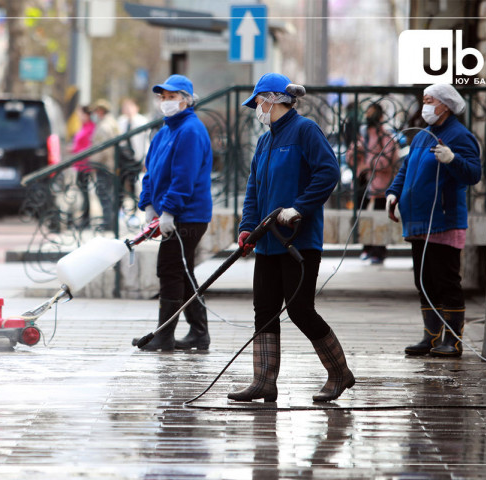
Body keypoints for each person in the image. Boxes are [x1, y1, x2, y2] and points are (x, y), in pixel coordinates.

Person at [228, 73, 355, 403]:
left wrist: (298, 207)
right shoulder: (265, 140)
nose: (256, 107)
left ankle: (339, 372)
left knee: (299, 309)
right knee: (265, 309)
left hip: (297, 240)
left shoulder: (305, 131)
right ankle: (264, 380)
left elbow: (327, 173)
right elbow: (254, 188)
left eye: (258, 101)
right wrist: (247, 226)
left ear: (272, 98)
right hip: (267, 240)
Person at [386, 84, 481, 358]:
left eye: (430, 100)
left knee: (445, 281)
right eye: (424, 100)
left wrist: (452, 159)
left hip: (443, 221)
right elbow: (406, 169)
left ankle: (452, 340)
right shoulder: (422, 136)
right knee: (424, 281)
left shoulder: (460, 136)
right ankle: (431, 336)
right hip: (418, 223)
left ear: (446, 106)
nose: (425, 105)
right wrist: (394, 193)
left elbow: (473, 173)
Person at [132, 74, 213, 351]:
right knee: (183, 272)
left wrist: (169, 212)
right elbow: (150, 173)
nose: (166, 102)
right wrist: (149, 206)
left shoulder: (190, 130)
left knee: (169, 270)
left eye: (173, 96)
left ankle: (164, 336)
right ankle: (199, 334)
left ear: (187, 100)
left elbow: (183, 178)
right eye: (163, 97)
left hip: (188, 216)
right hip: (174, 214)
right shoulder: (164, 132)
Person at [346, 102, 400, 264]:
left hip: (381, 185)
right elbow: (351, 157)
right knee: (363, 215)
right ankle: (367, 247)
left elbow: (390, 158)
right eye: (368, 113)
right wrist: (356, 153)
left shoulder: (386, 136)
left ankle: (379, 250)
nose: (370, 117)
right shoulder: (363, 135)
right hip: (363, 182)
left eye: (373, 113)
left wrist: (369, 163)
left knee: (379, 217)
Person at [90, 99, 121, 230]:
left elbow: (103, 150)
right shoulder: (112, 123)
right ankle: (110, 221)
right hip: (111, 165)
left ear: (101, 110)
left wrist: (93, 161)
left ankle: (108, 222)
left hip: (104, 166)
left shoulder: (104, 126)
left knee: (104, 194)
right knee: (109, 194)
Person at [71, 106, 95, 227]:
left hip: (85, 165)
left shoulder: (90, 127)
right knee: (82, 191)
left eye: (80, 114)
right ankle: (84, 217)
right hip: (79, 164)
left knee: (85, 192)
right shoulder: (83, 127)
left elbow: (88, 146)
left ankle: (86, 219)